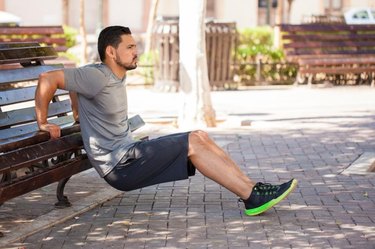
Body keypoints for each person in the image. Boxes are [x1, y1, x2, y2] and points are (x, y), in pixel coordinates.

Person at [35, 26, 297, 216]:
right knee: (193, 141)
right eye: (130, 47)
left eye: (135, 46)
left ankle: (253, 187)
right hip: (119, 165)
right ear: (111, 52)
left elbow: (70, 81)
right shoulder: (98, 77)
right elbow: (48, 79)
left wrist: (78, 111)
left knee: (199, 135)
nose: (137, 52)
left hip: (129, 154)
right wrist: (43, 123)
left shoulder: (101, 74)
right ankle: (250, 196)